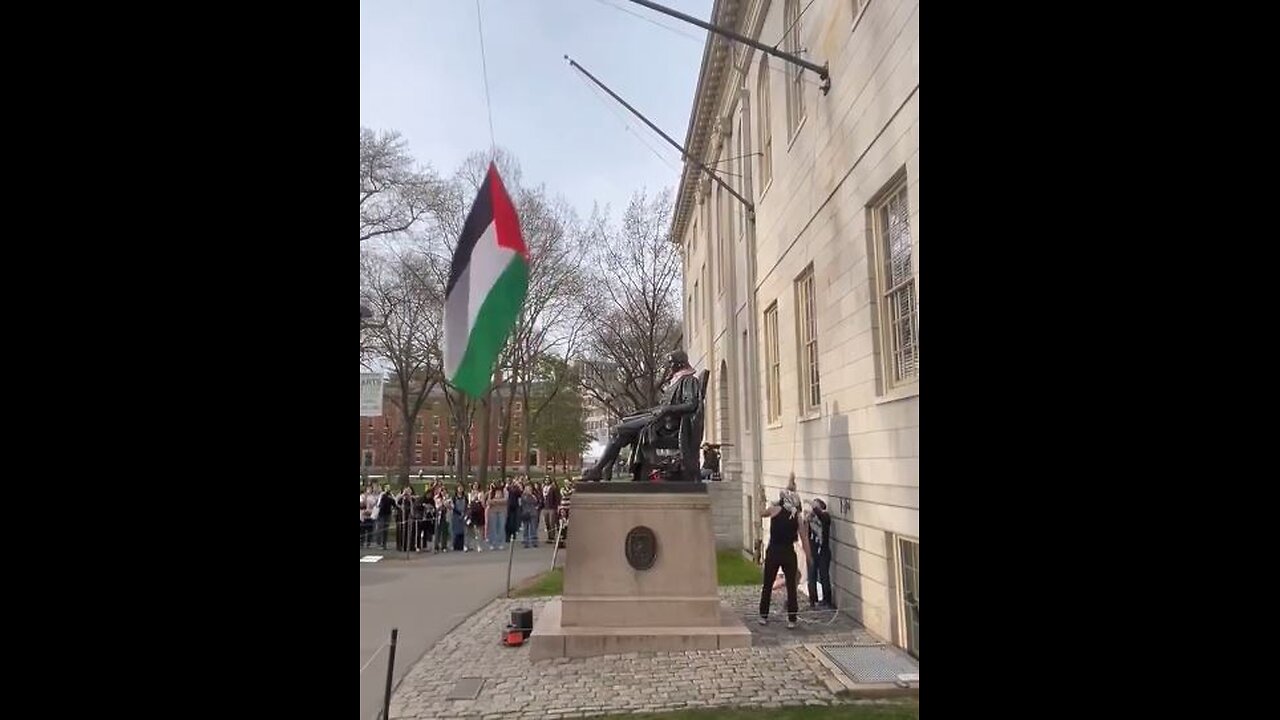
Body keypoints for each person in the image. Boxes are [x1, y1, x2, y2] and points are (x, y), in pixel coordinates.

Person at [580, 350, 702, 481]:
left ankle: (599, 469)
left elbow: (691, 404)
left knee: (618, 430)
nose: (669, 366)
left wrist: (667, 409)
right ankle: (605, 469)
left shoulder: (689, 380)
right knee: (623, 423)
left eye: (671, 363)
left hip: (667, 426)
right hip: (658, 419)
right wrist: (644, 412)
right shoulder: (676, 380)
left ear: (680, 364)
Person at [758, 473, 810, 629]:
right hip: (788, 551)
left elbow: (761, 513)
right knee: (791, 587)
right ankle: (792, 619)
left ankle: (763, 615)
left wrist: (762, 500)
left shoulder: (775, 510)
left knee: (767, 583)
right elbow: (804, 538)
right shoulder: (797, 517)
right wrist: (809, 556)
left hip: (774, 550)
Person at [806, 498, 835, 609]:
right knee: (811, 577)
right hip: (813, 551)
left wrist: (813, 506)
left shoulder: (825, 517)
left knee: (824, 576)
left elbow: (822, 517)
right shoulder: (811, 519)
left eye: (816, 506)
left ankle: (827, 600)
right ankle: (813, 600)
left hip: (823, 551)